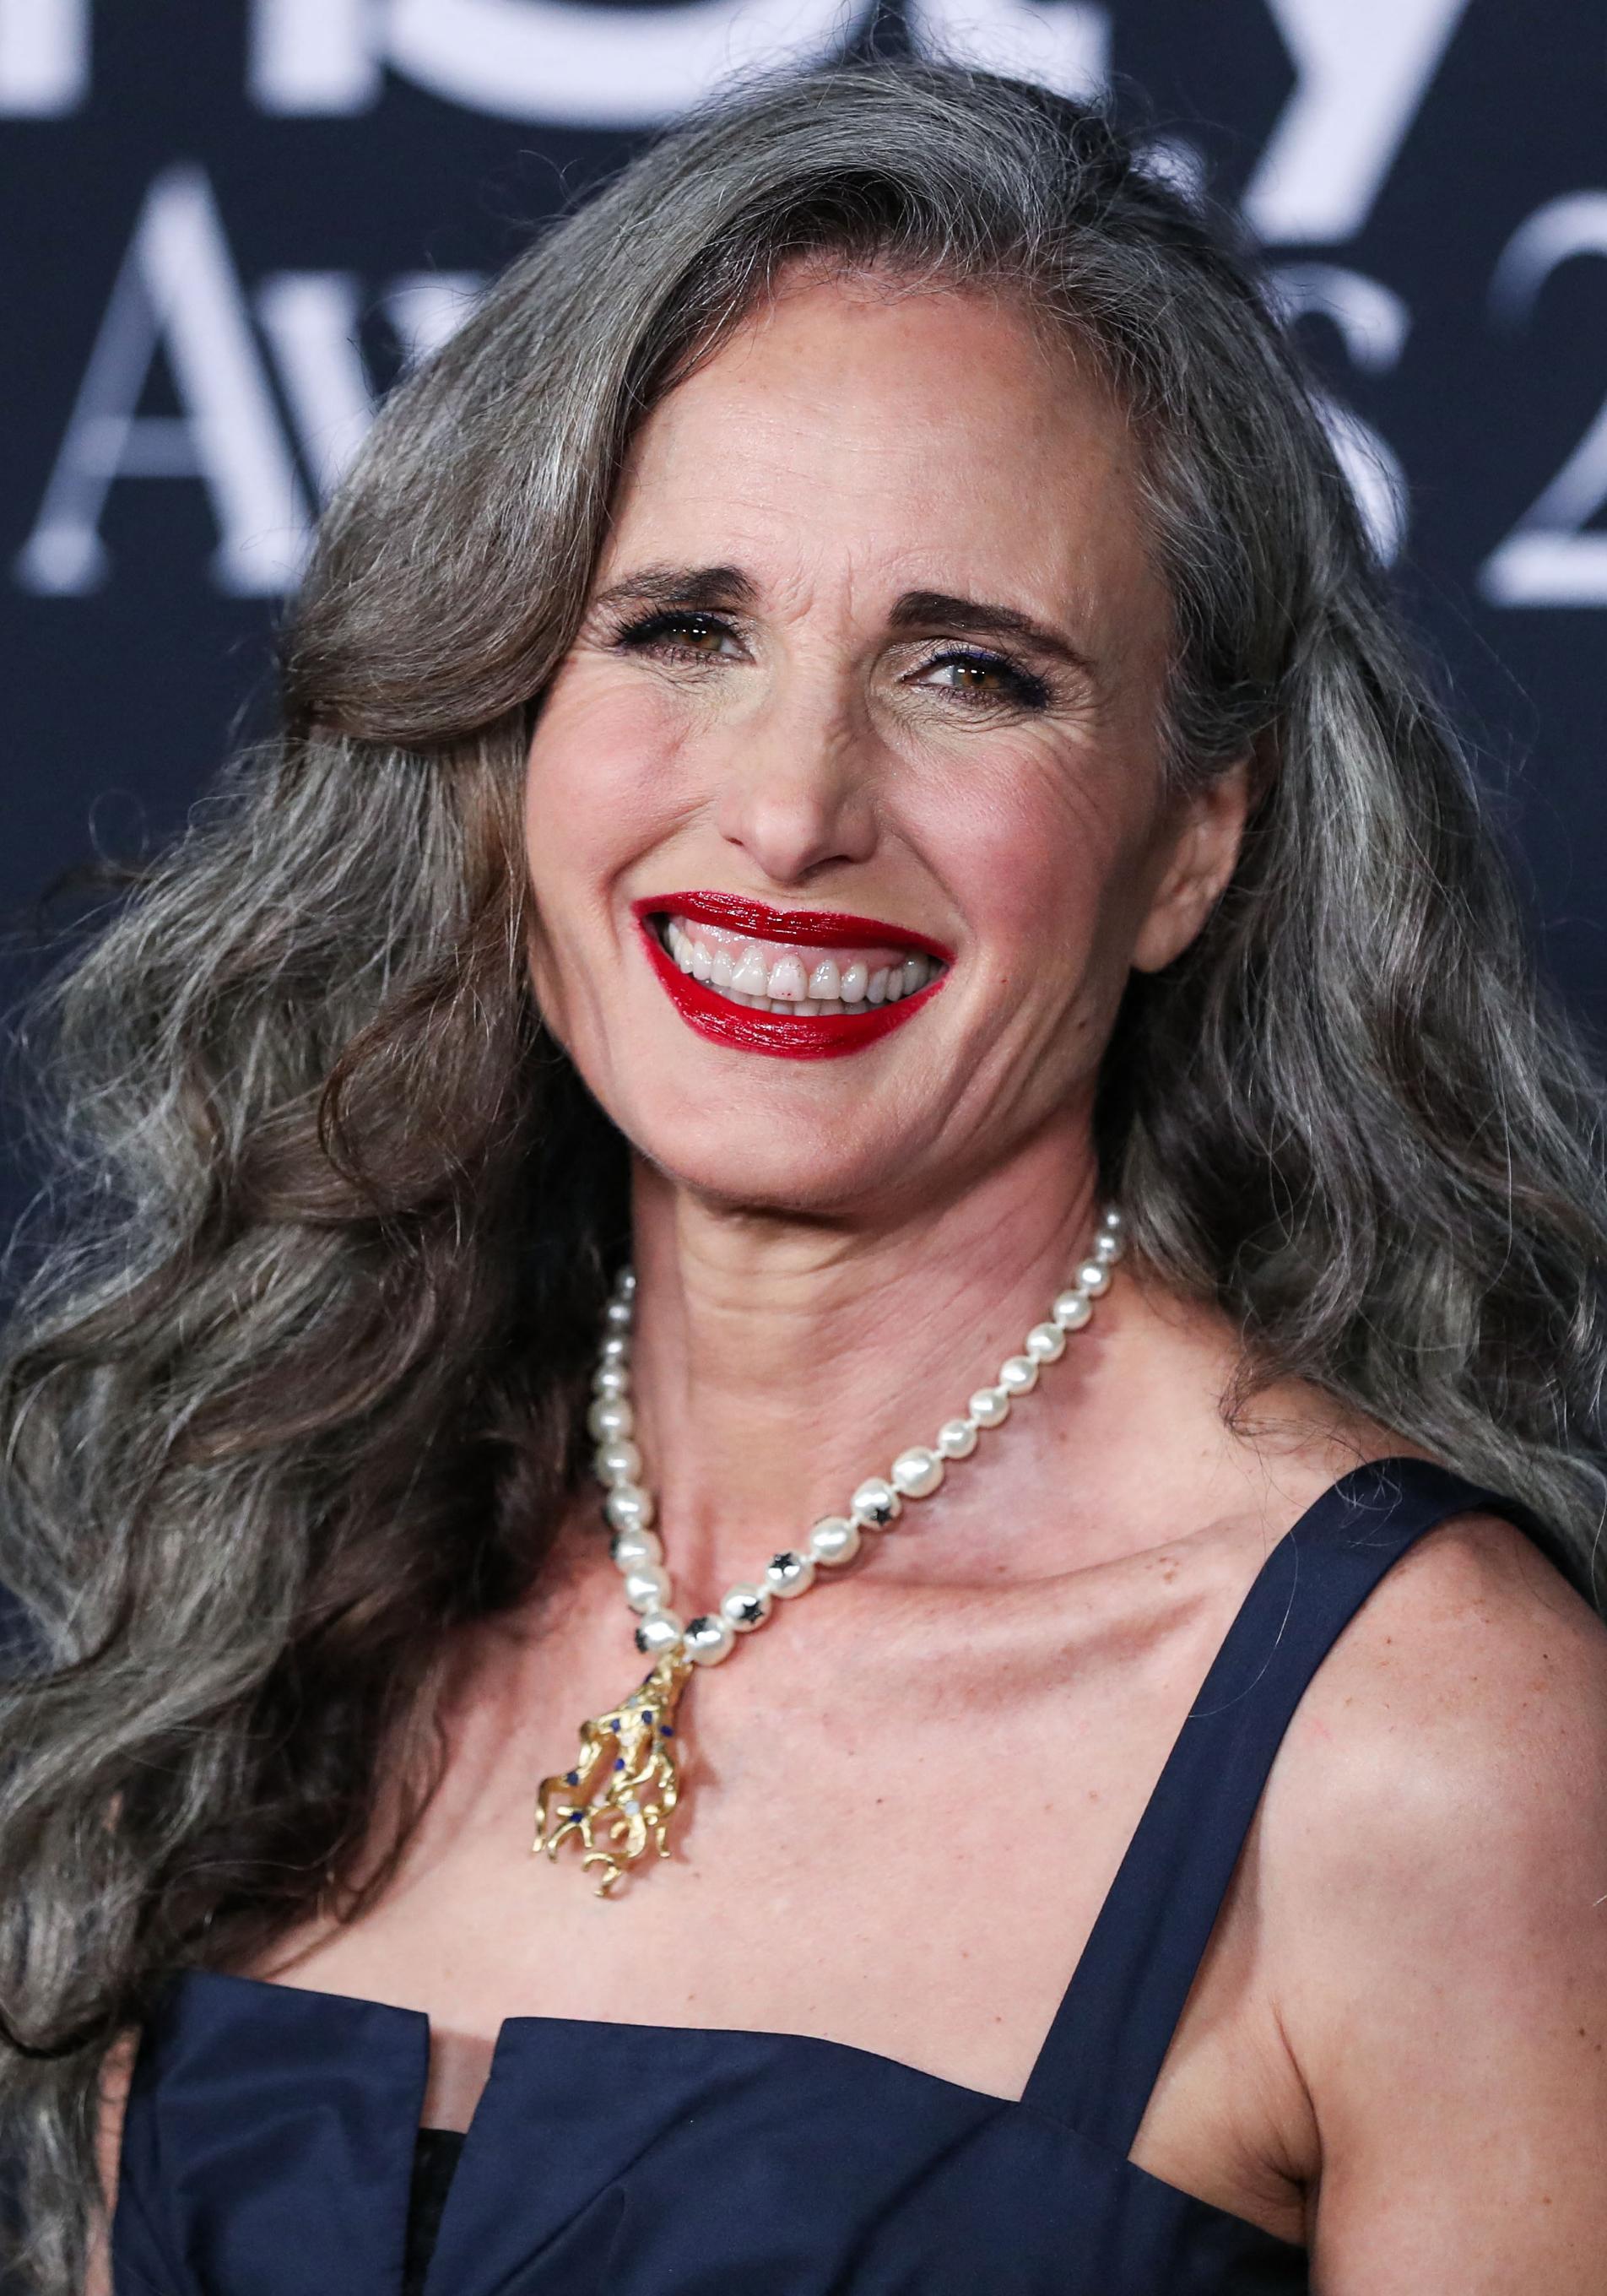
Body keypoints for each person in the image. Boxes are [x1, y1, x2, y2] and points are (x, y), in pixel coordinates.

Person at [3, 54, 1606, 2296]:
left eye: (972, 673)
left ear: (1192, 841)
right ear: (501, 724)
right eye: (686, 630)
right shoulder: (290, 1566)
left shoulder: (1432, 1747)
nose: (789, 809)